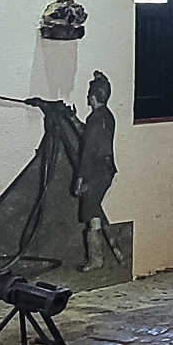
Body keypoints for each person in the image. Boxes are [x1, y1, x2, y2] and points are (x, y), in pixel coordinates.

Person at [72, 71, 118, 271]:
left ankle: (96, 259)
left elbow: (88, 150)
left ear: (93, 96)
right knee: (94, 210)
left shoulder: (95, 118)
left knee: (91, 212)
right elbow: (90, 137)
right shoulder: (106, 116)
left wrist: (81, 177)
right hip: (106, 170)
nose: (87, 97)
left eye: (89, 94)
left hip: (95, 171)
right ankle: (98, 257)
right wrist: (74, 120)